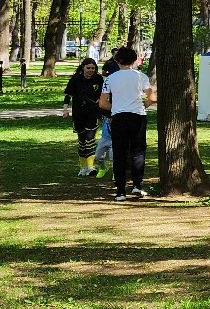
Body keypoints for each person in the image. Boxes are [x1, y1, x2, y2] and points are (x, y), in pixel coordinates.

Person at [99, 46, 155, 201]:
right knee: (138, 151)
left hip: (119, 117)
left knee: (119, 153)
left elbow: (102, 103)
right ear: (134, 60)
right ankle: (137, 185)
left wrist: (116, 108)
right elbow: (152, 97)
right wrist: (143, 106)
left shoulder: (110, 78)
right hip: (137, 116)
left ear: (117, 61)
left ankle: (120, 191)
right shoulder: (141, 76)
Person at [62, 58, 105, 177]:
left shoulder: (98, 79)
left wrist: (100, 101)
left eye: (93, 68)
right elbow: (68, 95)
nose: (91, 70)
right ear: (83, 68)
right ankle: (83, 167)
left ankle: (91, 167)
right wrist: (65, 109)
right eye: (88, 68)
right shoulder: (75, 79)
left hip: (93, 113)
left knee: (90, 139)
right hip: (78, 113)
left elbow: (104, 94)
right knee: (82, 141)